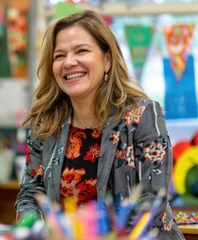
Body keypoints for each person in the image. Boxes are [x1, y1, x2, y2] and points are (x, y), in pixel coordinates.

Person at [14, 10, 184, 239]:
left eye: (81, 51)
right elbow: (30, 194)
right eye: (59, 55)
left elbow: (152, 199)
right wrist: (37, 231)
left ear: (107, 59)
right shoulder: (45, 123)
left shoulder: (143, 115)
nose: (69, 62)